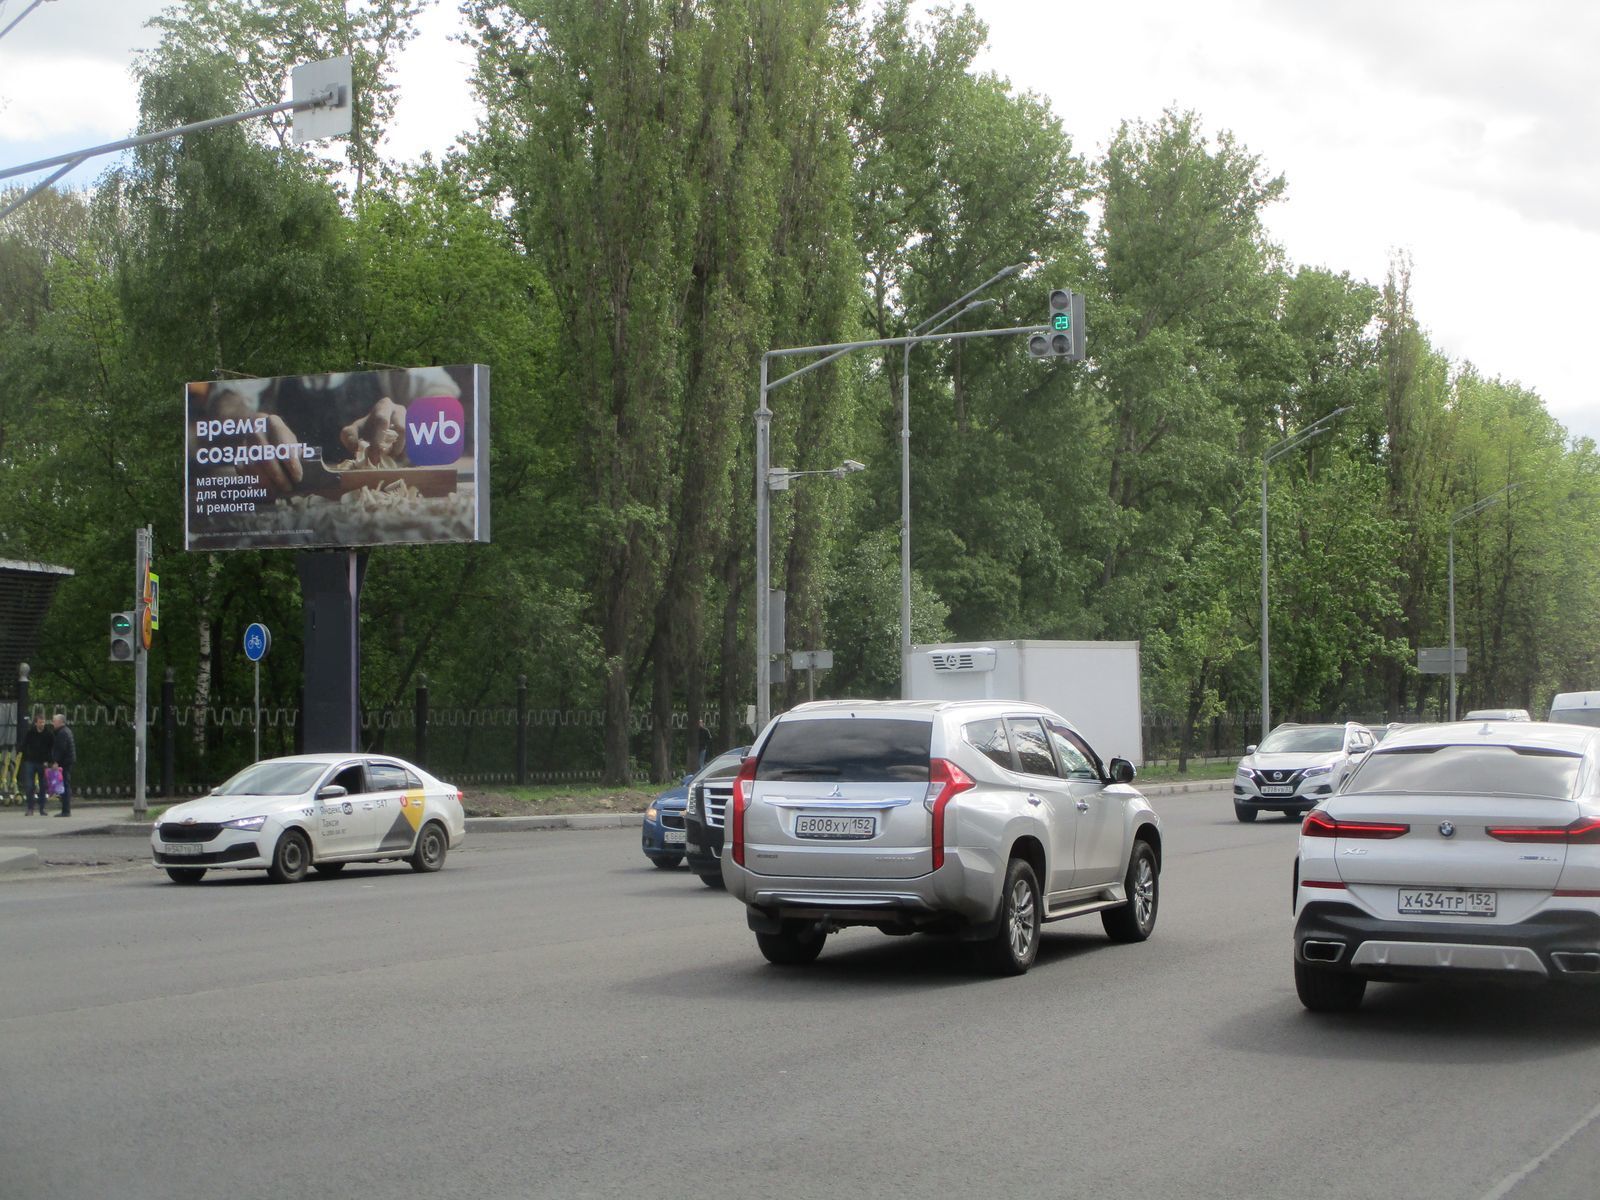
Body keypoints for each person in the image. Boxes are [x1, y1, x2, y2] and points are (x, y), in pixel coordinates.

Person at [20, 713, 53, 816]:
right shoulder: (31, 733)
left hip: (43, 762)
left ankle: (42, 808)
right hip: (30, 761)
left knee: (43, 786)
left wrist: (49, 761)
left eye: (43, 722)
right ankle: (30, 808)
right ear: (35, 723)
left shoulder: (48, 734)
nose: (42, 724)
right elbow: (24, 745)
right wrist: (25, 756)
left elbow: (51, 749)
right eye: (40, 722)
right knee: (30, 786)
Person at [49, 712, 75, 817]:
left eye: (54, 721)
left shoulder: (62, 733)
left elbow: (61, 749)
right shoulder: (64, 731)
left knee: (64, 785)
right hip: (67, 760)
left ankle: (66, 810)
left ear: (60, 722)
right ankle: (65, 809)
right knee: (64, 785)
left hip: (65, 762)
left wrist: (56, 762)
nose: (52, 723)